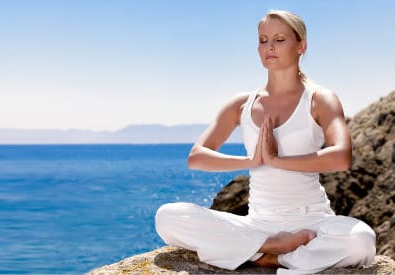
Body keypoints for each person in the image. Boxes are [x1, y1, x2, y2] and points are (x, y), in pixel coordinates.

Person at [154, 10, 376, 274]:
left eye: (280, 39)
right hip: (258, 223)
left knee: (361, 240)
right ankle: (271, 249)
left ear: (301, 46)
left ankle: (271, 258)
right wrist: (252, 161)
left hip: (311, 221)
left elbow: (341, 157)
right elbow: (197, 156)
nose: (269, 46)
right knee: (168, 217)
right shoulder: (241, 104)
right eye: (263, 40)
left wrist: (276, 160)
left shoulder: (320, 98)